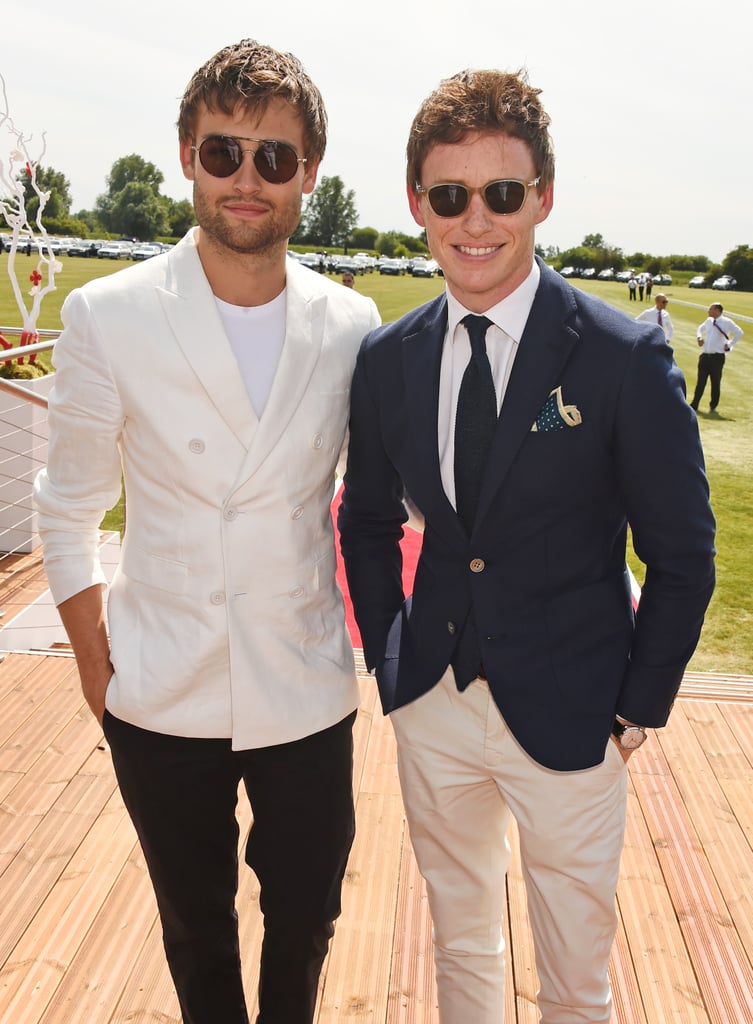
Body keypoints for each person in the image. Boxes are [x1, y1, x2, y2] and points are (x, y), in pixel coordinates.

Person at [338, 67, 715, 1024]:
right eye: (450, 194)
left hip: (576, 719)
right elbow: (369, 522)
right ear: (417, 201)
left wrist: (635, 712)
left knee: (576, 986)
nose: (477, 220)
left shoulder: (622, 357)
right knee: (460, 948)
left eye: (502, 193)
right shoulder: (386, 359)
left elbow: (683, 554)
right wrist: (393, 663)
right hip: (433, 703)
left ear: (542, 196)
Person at [34, 38, 380, 1024]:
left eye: (274, 157)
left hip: (304, 684)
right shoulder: (110, 313)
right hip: (161, 686)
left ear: (307, 172)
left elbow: (387, 504)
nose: (246, 178)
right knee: (194, 929)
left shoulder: (352, 325)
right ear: (187, 153)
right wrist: (100, 672)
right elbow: (68, 505)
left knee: (308, 915)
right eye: (223, 151)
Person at [690, 301, 743, 413]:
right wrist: (699, 337)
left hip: (717, 357)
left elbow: (739, 332)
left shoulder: (726, 322)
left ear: (717, 311)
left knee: (715, 382)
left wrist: (729, 344)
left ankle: (713, 405)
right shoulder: (709, 321)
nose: (708, 311)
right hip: (705, 356)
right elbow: (700, 328)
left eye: (711, 309)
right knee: (700, 382)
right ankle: (694, 404)